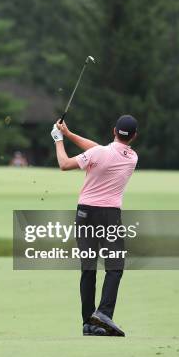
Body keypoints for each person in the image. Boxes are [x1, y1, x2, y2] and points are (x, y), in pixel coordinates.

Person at [51, 115, 138, 337]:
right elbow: (101, 151)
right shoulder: (132, 158)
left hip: (85, 213)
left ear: (114, 131)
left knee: (88, 268)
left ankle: (89, 322)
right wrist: (69, 134)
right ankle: (103, 314)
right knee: (115, 266)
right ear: (134, 136)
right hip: (109, 215)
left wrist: (58, 139)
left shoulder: (99, 153)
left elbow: (64, 164)